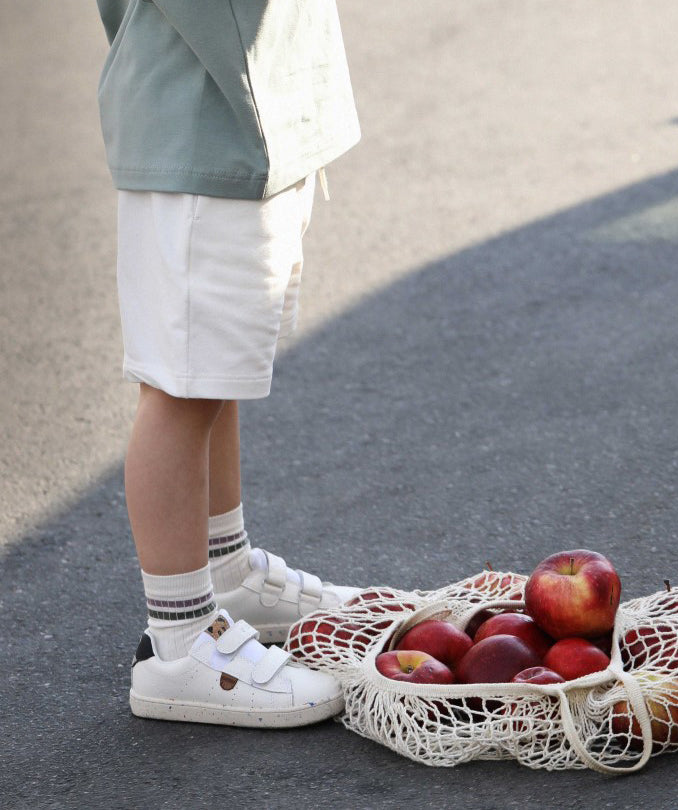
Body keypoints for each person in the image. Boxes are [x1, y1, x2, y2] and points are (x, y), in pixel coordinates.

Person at [95, 0, 364, 727]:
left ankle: (225, 571)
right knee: (181, 388)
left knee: (211, 379)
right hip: (204, 114)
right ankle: (179, 645)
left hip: (248, 115)